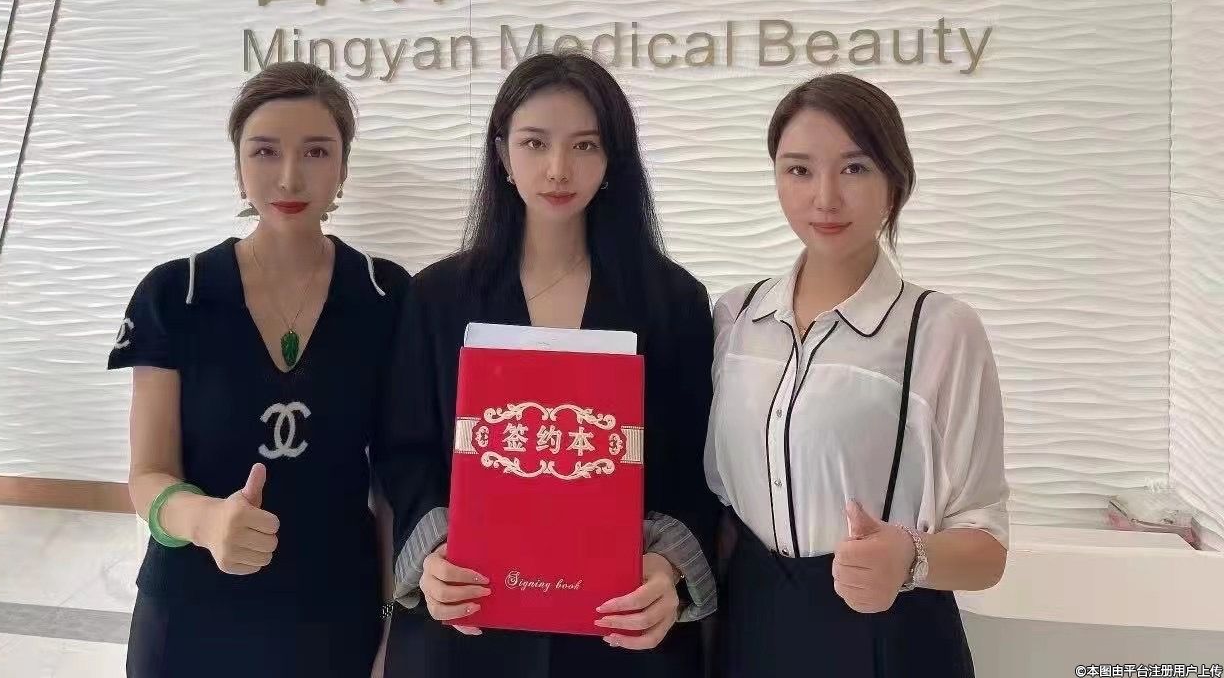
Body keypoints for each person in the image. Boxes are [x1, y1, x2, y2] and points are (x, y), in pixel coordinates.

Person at [379, 51, 718, 678]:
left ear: (614, 159)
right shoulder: (437, 296)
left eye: (585, 145)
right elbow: (405, 451)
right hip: (469, 626)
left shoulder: (672, 300)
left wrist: (668, 566)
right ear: (502, 154)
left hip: (618, 633)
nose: (559, 169)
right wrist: (432, 551)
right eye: (535, 143)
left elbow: (696, 466)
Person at [109, 62, 409, 677]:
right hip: (190, 611)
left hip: (333, 609)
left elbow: (392, 483)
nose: (290, 176)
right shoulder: (177, 294)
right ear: (238, 165)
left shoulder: (385, 295)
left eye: (317, 152)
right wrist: (207, 521)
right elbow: (147, 475)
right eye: (265, 151)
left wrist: (391, 623)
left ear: (344, 168)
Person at [706, 73, 1008, 677]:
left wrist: (909, 557)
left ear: (895, 181)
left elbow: (988, 549)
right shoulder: (736, 317)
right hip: (751, 622)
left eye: (854, 168)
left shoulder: (940, 329)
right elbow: (718, 504)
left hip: (886, 634)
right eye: (799, 170)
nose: (825, 198)